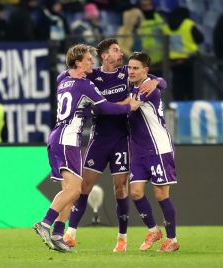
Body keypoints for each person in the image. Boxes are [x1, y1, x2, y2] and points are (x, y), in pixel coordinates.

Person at [33, 44, 141, 253]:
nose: (92, 62)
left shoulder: (63, 79)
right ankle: (45, 224)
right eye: (88, 59)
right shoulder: (84, 84)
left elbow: (64, 74)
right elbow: (106, 108)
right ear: (78, 63)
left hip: (56, 137)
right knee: (74, 189)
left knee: (71, 191)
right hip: (68, 139)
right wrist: (129, 106)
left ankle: (57, 233)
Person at [62, 38, 166, 252]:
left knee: (120, 189)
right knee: (83, 187)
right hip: (99, 139)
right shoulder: (92, 75)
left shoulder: (126, 73)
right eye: (116, 50)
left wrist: (157, 82)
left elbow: (158, 80)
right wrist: (124, 104)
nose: (121, 53)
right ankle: (70, 234)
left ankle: (122, 238)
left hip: (121, 139)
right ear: (105, 56)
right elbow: (65, 76)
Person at [126, 52, 179, 252]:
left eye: (135, 68)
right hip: (139, 150)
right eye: (129, 67)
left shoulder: (148, 89)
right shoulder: (136, 85)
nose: (130, 71)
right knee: (136, 192)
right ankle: (154, 230)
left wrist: (98, 106)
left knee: (161, 195)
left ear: (145, 71)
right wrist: (160, 80)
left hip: (158, 148)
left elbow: (128, 107)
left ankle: (172, 240)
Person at [162, 7, 204, 100]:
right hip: (190, 60)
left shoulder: (165, 27)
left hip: (174, 62)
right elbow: (200, 39)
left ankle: (179, 108)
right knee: (192, 87)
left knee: (178, 87)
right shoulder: (188, 24)